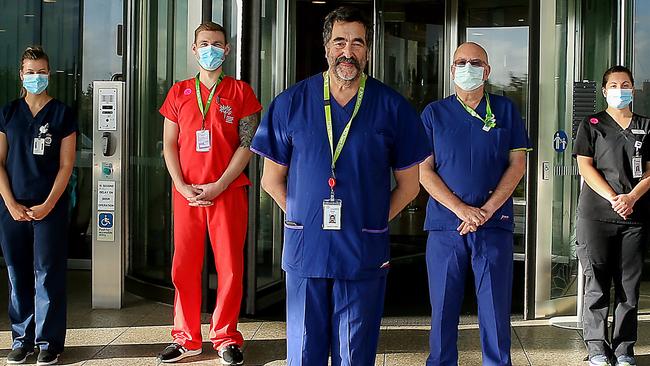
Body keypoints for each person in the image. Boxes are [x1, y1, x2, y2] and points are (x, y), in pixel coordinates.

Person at [251, 6, 428, 365]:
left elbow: (410, 186)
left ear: (368, 50)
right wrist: (305, 217)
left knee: (355, 351)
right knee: (303, 351)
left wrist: (374, 220)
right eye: (340, 42)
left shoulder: (392, 107)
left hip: (363, 249)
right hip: (307, 249)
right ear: (326, 46)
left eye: (358, 43)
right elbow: (271, 180)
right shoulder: (290, 103)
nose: (348, 52)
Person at [157, 21, 261, 365]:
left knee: (230, 266)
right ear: (193, 48)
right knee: (183, 266)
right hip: (186, 193)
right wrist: (180, 184)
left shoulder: (241, 92)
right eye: (204, 43)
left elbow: (247, 145)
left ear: (227, 49)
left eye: (217, 44)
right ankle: (186, 337)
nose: (210, 49)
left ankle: (226, 337)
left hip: (227, 191)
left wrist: (220, 184)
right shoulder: (178, 92)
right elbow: (169, 145)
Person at [419, 42, 530, 366]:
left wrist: (487, 210)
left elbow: (517, 165)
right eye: (462, 62)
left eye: (476, 62)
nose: (469, 68)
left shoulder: (506, 110)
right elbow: (424, 171)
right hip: (445, 226)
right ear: (452, 70)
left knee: (495, 311)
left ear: (488, 71)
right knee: (442, 310)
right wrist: (461, 210)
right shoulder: (434, 114)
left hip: (494, 225)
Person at [0, 46, 78, 365]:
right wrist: (10, 202)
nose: (36, 77)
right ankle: (22, 339)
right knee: (17, 274)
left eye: (41, 72)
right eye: (30, 72)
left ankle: (48, 343)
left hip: (50, 207)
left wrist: (47, 205)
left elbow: (66, 165)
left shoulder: (62, 114)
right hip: (12, 207)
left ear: (50, 74)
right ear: (22, 75)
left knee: (47, 274)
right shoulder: (8, 113)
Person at [573, 65, 650, 366]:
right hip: (596, 217)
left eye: (626, 84)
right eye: (614, 85)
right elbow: (585, 166)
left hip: (634, 216)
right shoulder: (591, 124)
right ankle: (596, 348)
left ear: (633, 89)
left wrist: (631, 197)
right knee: (597, 283)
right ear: (605, 91)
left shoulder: (646, 125)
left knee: (629, 287)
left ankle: (623, 349)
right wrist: (613, 197)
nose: (621, 90)